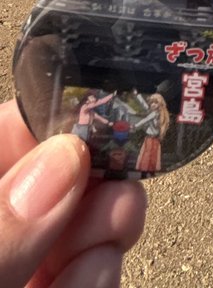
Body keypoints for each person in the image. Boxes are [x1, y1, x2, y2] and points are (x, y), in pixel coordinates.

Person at [0, 98, 146, 288]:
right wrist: (110, 98)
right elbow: (96, 108)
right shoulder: (87, 106)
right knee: (77, 155)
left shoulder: (90, 109)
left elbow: (100, 118)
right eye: (91, 98)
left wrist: (109, 122)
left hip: (83, 132)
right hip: (79, 133)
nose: (93, 100)